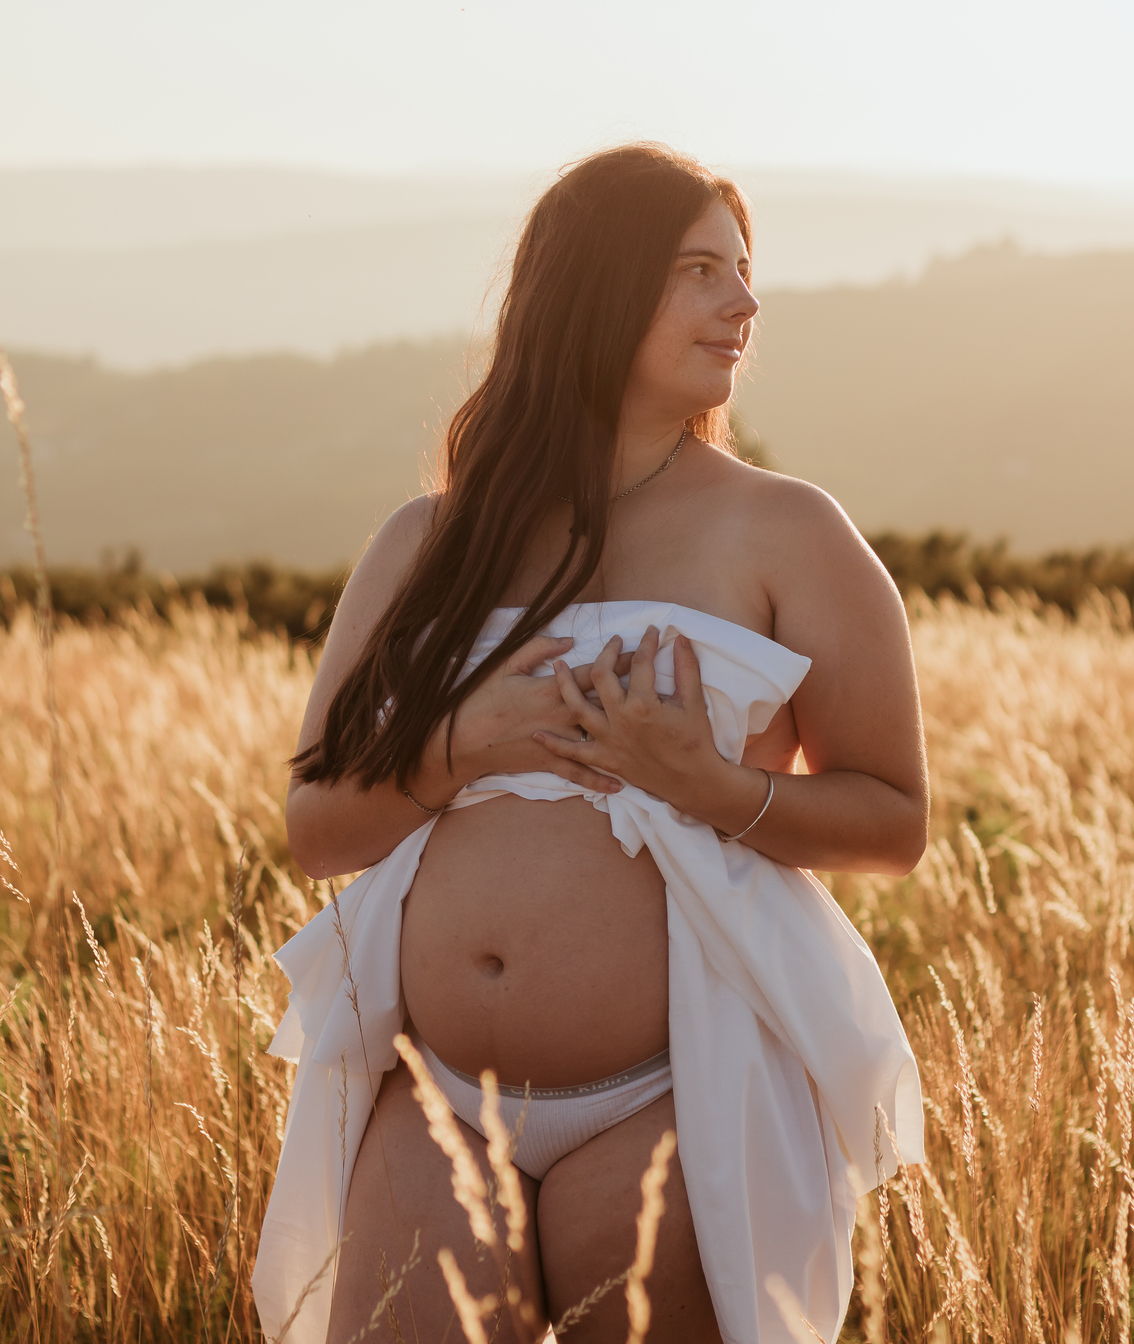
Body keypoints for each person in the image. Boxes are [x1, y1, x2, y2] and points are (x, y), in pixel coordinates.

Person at [252, 144, 928, 1344]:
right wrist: (459, 747)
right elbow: (314, 831)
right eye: (699, 270)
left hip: (670, 1096)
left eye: (745, 268)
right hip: (439, 1099)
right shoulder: (427, 542)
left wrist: (708, 784)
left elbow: (894, 821)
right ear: (595, 291)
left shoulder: (787, 531)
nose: (745, 302)